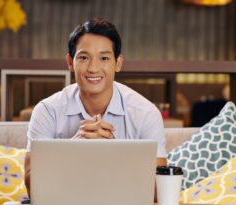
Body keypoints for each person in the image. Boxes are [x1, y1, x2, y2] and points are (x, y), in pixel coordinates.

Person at [24, 17, 167, 199]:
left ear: (118, 63)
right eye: (83, 57)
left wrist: (113, 154)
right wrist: (72, 149)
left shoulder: (146, 113)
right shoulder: (47, 111)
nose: (93, 68)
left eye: (104, 58)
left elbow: (158, 191)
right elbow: (32, 189)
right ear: (70, 62)